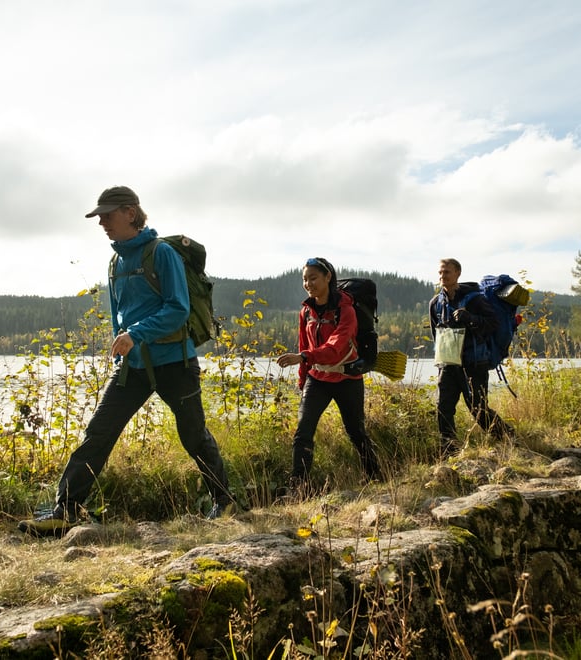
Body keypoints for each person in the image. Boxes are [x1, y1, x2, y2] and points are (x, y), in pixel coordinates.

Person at [19, 186, 232, 536]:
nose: (101, 222)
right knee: (99, 433)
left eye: (107, 214)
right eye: (99, 216)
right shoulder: (116, 261)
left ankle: (224, 501)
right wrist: (125, 342)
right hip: (132, 369)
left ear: (130, 213)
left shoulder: (161, 253)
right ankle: (65, 509)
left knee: (193, 435)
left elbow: (178, 308)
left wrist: (136, 334)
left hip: (175, 364)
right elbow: (121, 314)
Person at [276, 257, 382, 493]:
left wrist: (303, 357)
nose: (308, 283)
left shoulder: (346, 310)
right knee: (303, 432)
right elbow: (304, 342)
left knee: (356, 432)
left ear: (328, 278)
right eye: (304, 279)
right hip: (317, 380)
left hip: (347, 379)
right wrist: (303, 380)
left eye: (313, 278)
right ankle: (298, 489)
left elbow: (336, 346)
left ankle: (376, 477)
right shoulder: (306, 311)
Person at [429, 258, 512, 457]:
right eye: (440, 272)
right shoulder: (435, 303)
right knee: (443, 408)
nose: (442, 276)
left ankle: (508, 437)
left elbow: (493, 323)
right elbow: (436, 334)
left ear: (458, 273)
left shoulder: (475, 299)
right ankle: (450, 450)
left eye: (447, 272)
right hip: (448, 364)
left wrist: (470, 319)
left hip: (475, 363)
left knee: (478, 408)